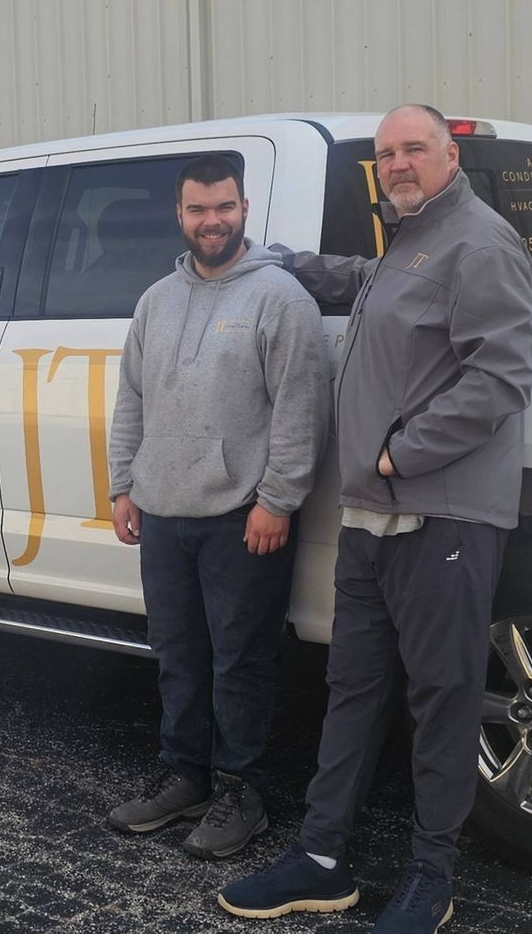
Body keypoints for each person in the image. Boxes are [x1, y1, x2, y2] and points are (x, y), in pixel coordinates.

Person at [218, 105, 532, 933]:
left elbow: (499, 377)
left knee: (442, 698)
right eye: (386, 153)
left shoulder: (481, 240)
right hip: (369, 521)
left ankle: (432, 877)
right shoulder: (407, 243)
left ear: (448, 153)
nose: (396, 163)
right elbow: (362, 282)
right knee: (351, 690)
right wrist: (283, 263)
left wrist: (400, 454)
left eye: (412, 149)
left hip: (441, 516)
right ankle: (322, 858)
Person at [105, 155, 331, 859]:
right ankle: (185, 776)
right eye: (199, 209)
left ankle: (242, 790)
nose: (213, 221)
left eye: (224, 207)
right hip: (163, 511)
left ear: (243, 208)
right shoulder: (155, 301)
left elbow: (302, 407)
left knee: (241, 660)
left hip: (243, 517)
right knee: (177, 654)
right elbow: (132, 399)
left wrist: (278, 500)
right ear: (180, 213)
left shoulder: (279, 297)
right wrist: (122, 484)